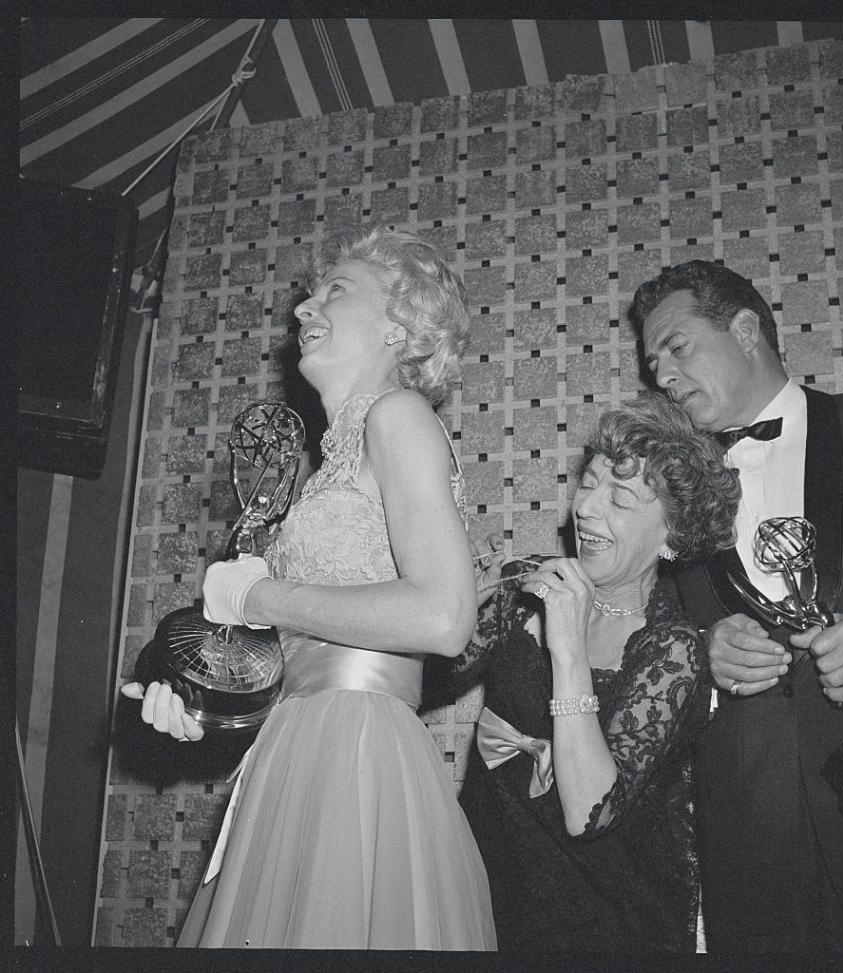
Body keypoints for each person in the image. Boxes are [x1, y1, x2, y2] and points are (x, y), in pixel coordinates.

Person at [122, 224, 496, 950]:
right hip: (296, 747)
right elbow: (296, 658)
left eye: (336, 290)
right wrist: (199, 705)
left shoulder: (399, 415)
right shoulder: (320, 473)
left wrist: (255, 597)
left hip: (357, 750)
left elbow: (445, 615)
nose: (302, 309)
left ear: (399, 326)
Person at [632, 259, 843, 955]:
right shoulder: (667, 500)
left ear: (746, 330)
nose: (662, 375)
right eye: (653, 364)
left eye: (677, 347)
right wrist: (703, 657)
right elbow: (651, 651)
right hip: (753, 856)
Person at [454, 393, 741, 952]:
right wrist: (455, 601)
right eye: (587, 484)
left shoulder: (671, 650)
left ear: (673, 537)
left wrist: (567, 649)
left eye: (622, 498)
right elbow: (421, 683)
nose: (586, 508)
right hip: (483, 895)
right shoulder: (524, 596)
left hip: (606, 920)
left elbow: (591, 814)